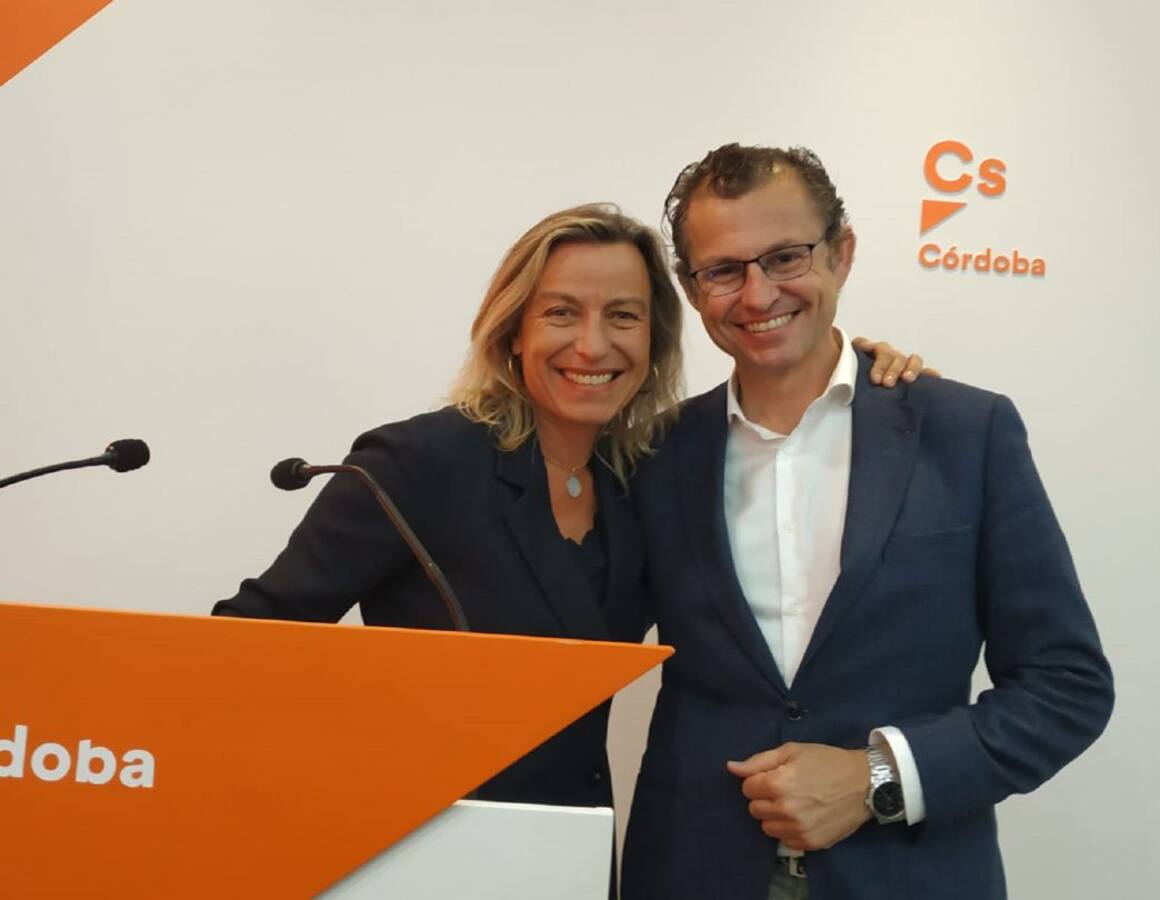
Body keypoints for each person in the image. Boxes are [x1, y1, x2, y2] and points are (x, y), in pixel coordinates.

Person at [212, 202, 927, 811]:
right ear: (513, 330)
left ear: (653, 339)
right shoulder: (417, 463)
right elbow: (241, 651)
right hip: (417, 845)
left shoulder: (646, 475)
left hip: (573, 850)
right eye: (561, 312)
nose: (593, 344)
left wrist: (864, 377)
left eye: (623, 316)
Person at [620, 145, 1114, 900]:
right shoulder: (652, 454)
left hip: (910, 875)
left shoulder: (964, 432)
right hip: (692, 872)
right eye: (723, 270)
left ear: (841, 254)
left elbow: (1066, 685)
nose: (758, 294)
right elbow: (571, 630)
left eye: (785, 257)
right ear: (692, 288)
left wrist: (879, 775)